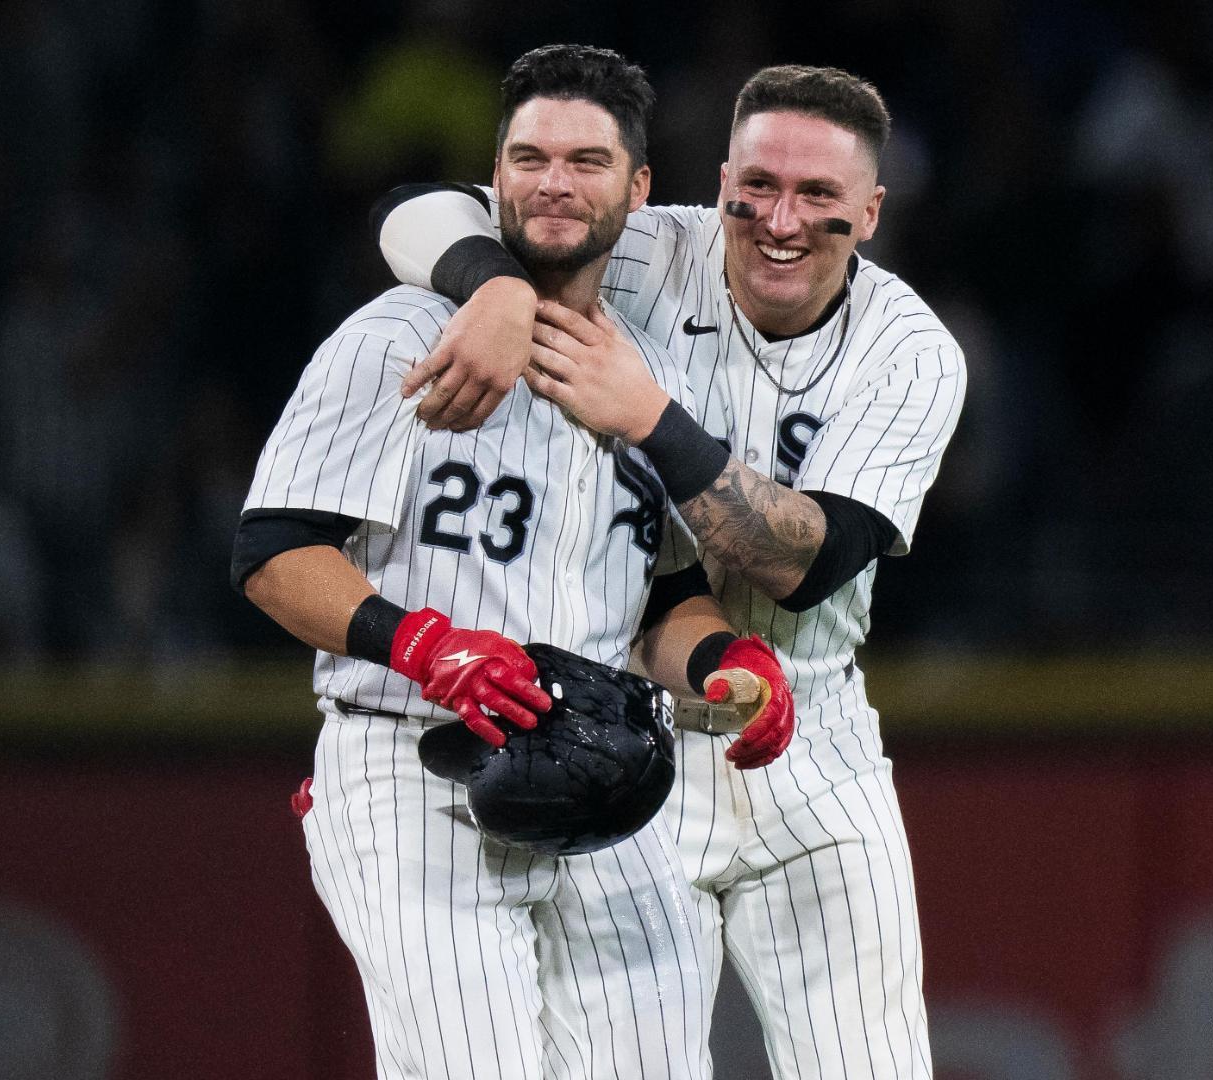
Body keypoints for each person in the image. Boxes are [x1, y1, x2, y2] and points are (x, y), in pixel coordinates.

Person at [372, 64, 967, 1080]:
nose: (781, 218)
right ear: (721, 177)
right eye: (760, 185)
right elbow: (408, 216)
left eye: (818, 197)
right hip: (614, 728)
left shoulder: (911, 351)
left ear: (868, 213)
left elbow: (804, 564)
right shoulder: (653, 247)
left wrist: (648, 415)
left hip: (809, 737)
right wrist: (498, 283)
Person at [232, 45, 796, 1080]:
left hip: (605, 774)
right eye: (528, 157)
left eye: (586, 160)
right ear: (492, 178)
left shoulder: (651, 374)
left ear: (637, 188)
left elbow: (662, 586)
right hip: (415, 761)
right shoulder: (399, 332)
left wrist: (726, 661)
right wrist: (419, 643)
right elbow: (271, 551)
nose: (553, 182)